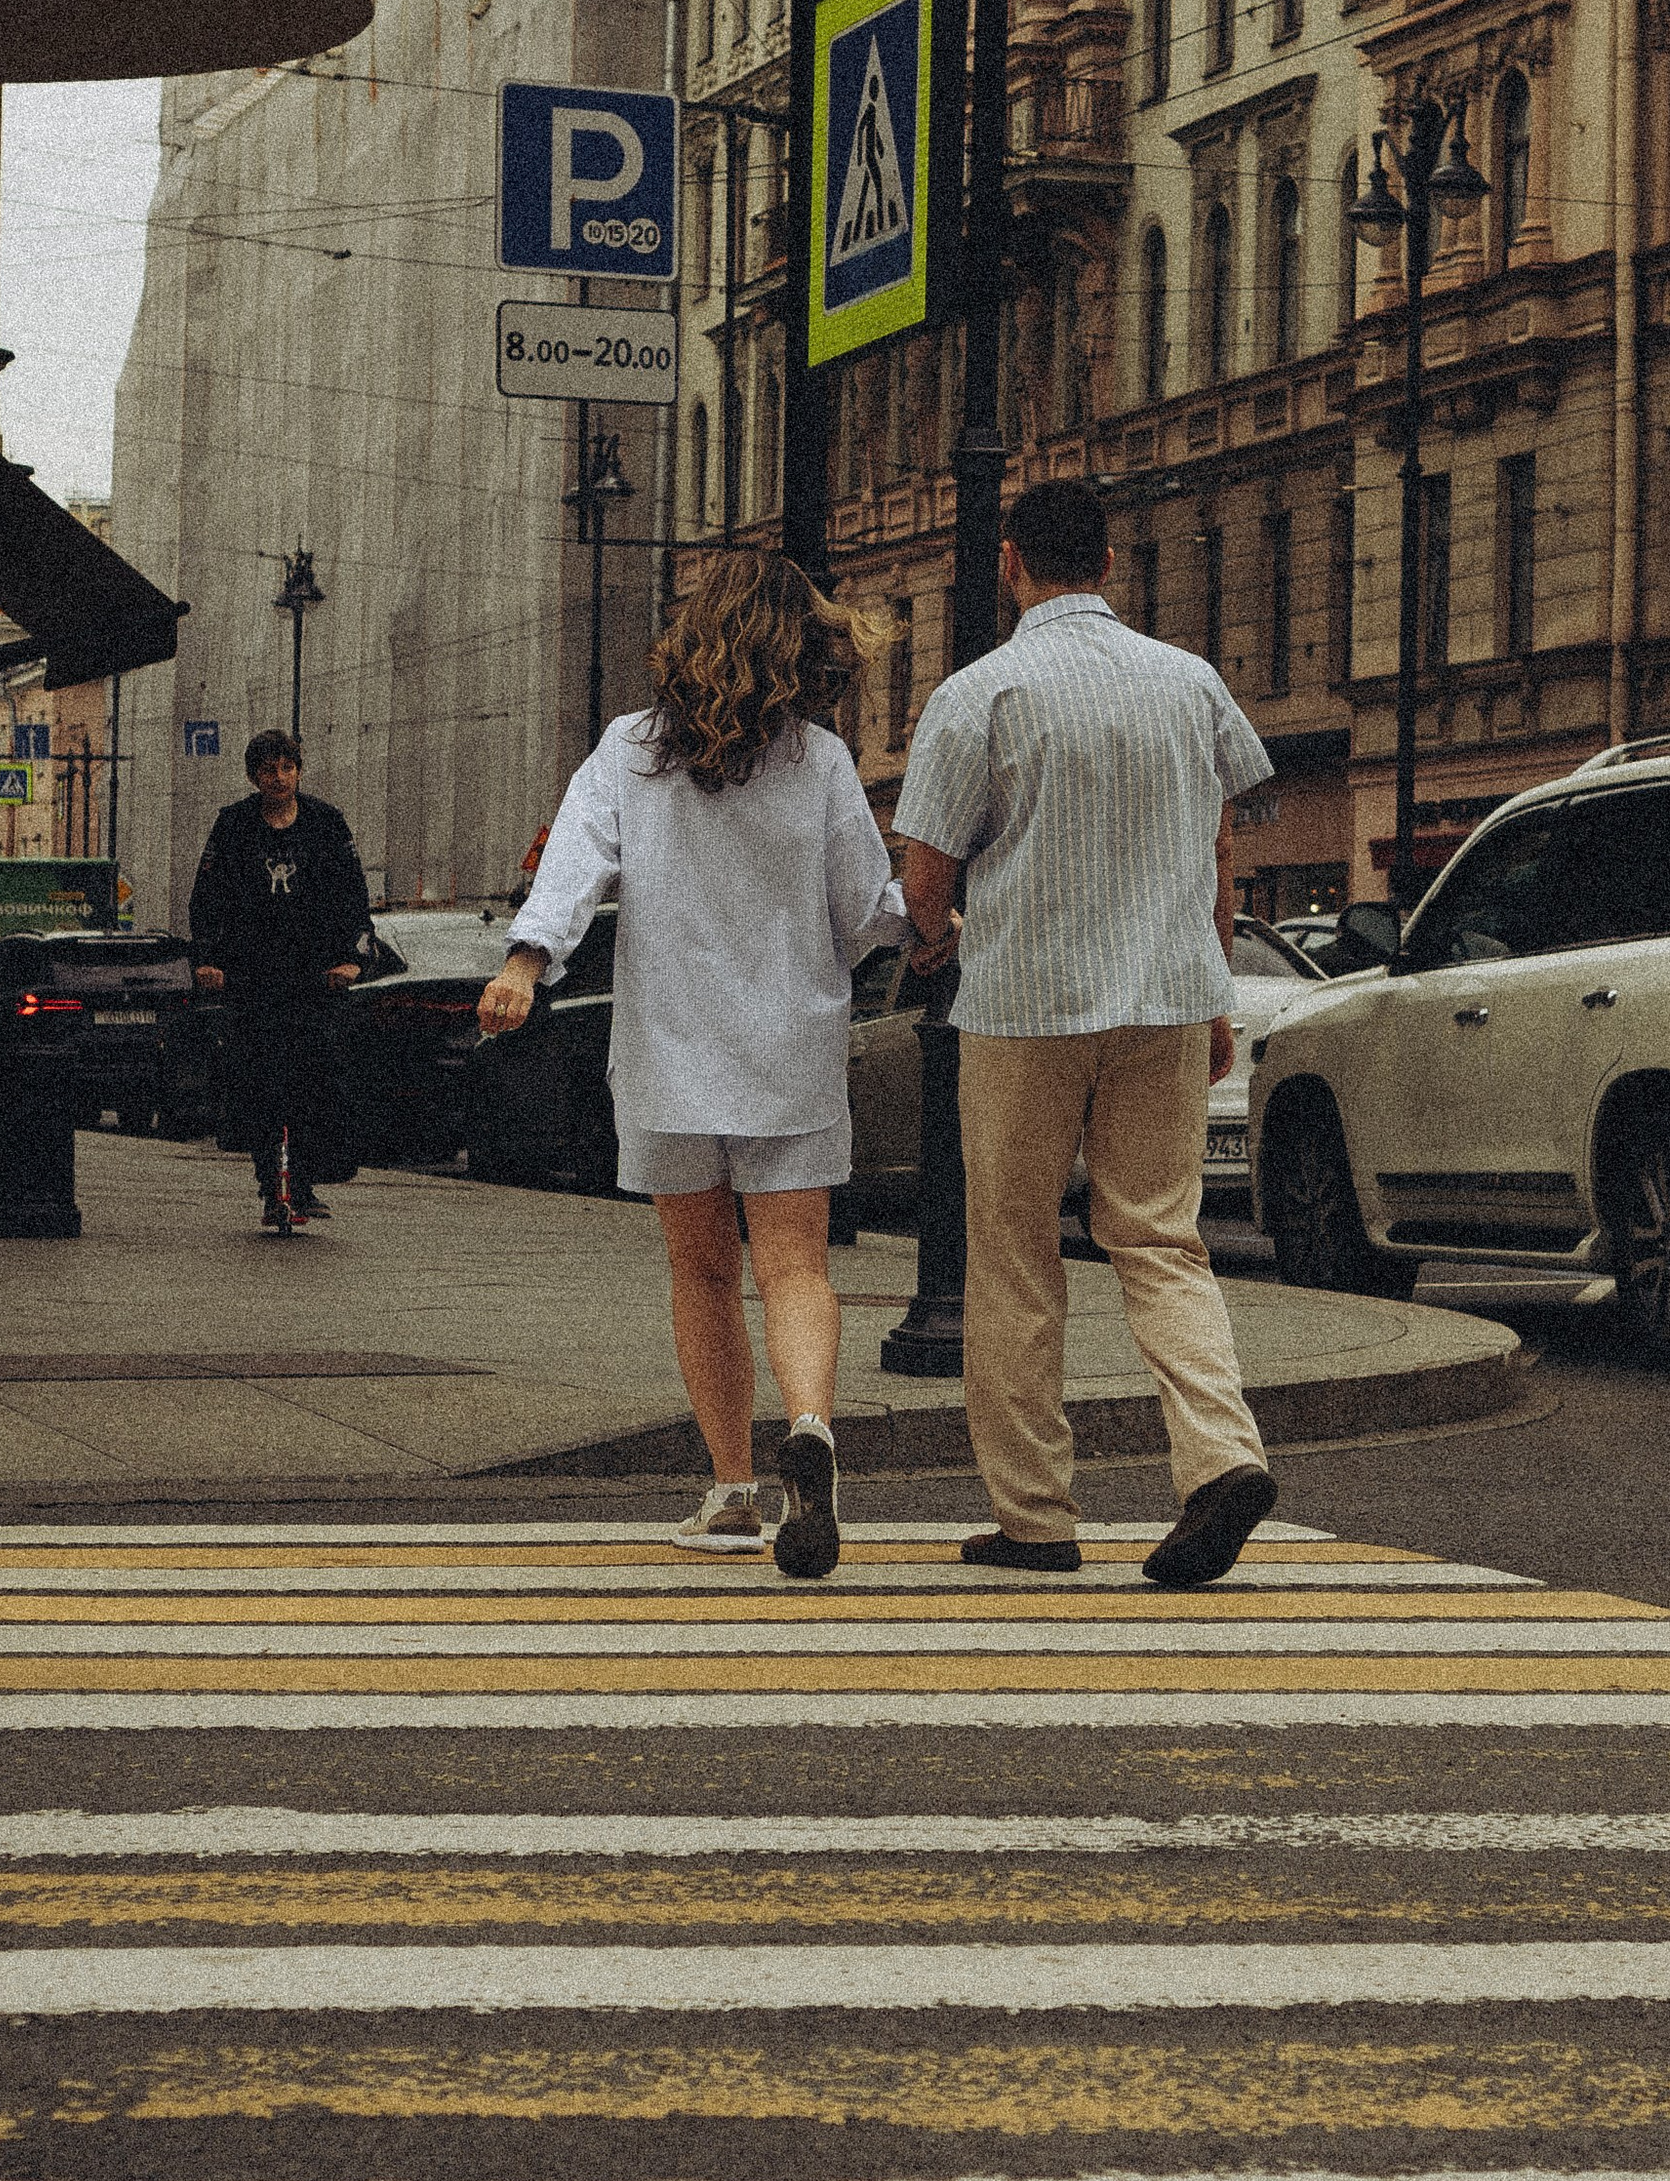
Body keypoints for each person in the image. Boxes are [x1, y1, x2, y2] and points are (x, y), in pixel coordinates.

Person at [479, 551, 939, 1580]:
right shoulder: (816, 761)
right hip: (790, 1048)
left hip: (666, 1051)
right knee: (796, 1268)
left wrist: (525, 961)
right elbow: (865, 912)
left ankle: (732, 1488)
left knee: (701, 1273)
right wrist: (930, 926)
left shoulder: (629, 751)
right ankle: (810, 1429)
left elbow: (574, 867)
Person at [893, 474, 1278, 1592]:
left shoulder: (980, 693)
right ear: (1110, 565)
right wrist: (1213, 990)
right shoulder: (1189, 682)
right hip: (1164, 997)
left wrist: (937, 934)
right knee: (1160, 1240)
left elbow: (926, 875)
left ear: (1008, 563)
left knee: (1011, 1255)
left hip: (1022, 1006)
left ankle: (1035, 1516)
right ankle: (1221, 1459)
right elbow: (1220, 842)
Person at [190, 731, 372, 1232]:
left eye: (287, 768)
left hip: (311, 978)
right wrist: (208, 960)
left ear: (298, 770)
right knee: (260, 1083)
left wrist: (351, 959)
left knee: (314, 1078)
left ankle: (306, 1182)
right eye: (268, 770)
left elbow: (353, 897)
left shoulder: (326, 824)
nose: (279, 778)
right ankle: (272, 1186)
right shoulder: (233, 825)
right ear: (254, 777)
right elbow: (207, 898)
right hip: (252, 977)